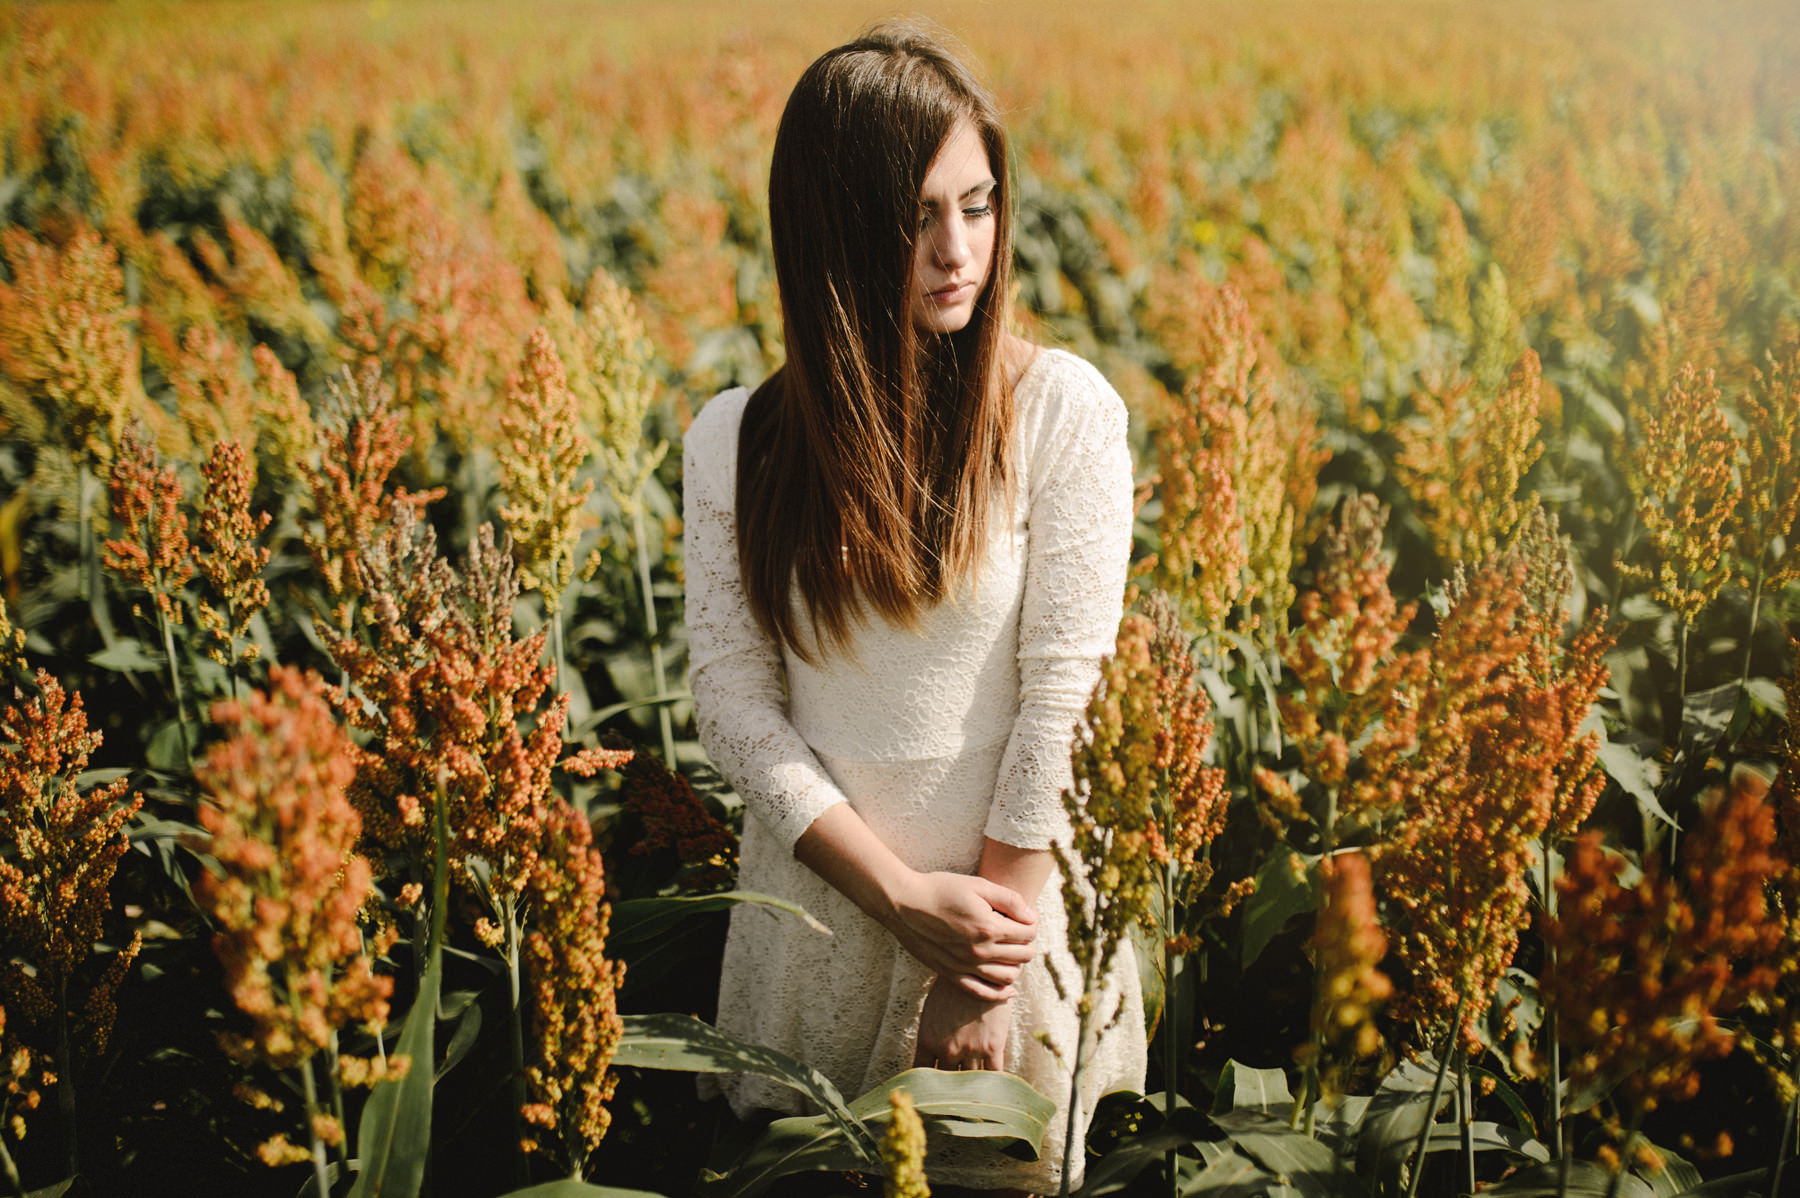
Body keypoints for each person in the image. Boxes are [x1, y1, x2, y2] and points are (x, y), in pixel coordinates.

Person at [682, 21, 1144, 1194]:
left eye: (979, 203)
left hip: (1009, 928)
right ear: (832, 230)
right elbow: (733, 705)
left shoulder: (1062, 416)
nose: (958, 250)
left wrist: (977, 965)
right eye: (917, 216)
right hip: (822, 931)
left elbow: (1066, 701)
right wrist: (894, 898)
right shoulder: (737, 439)